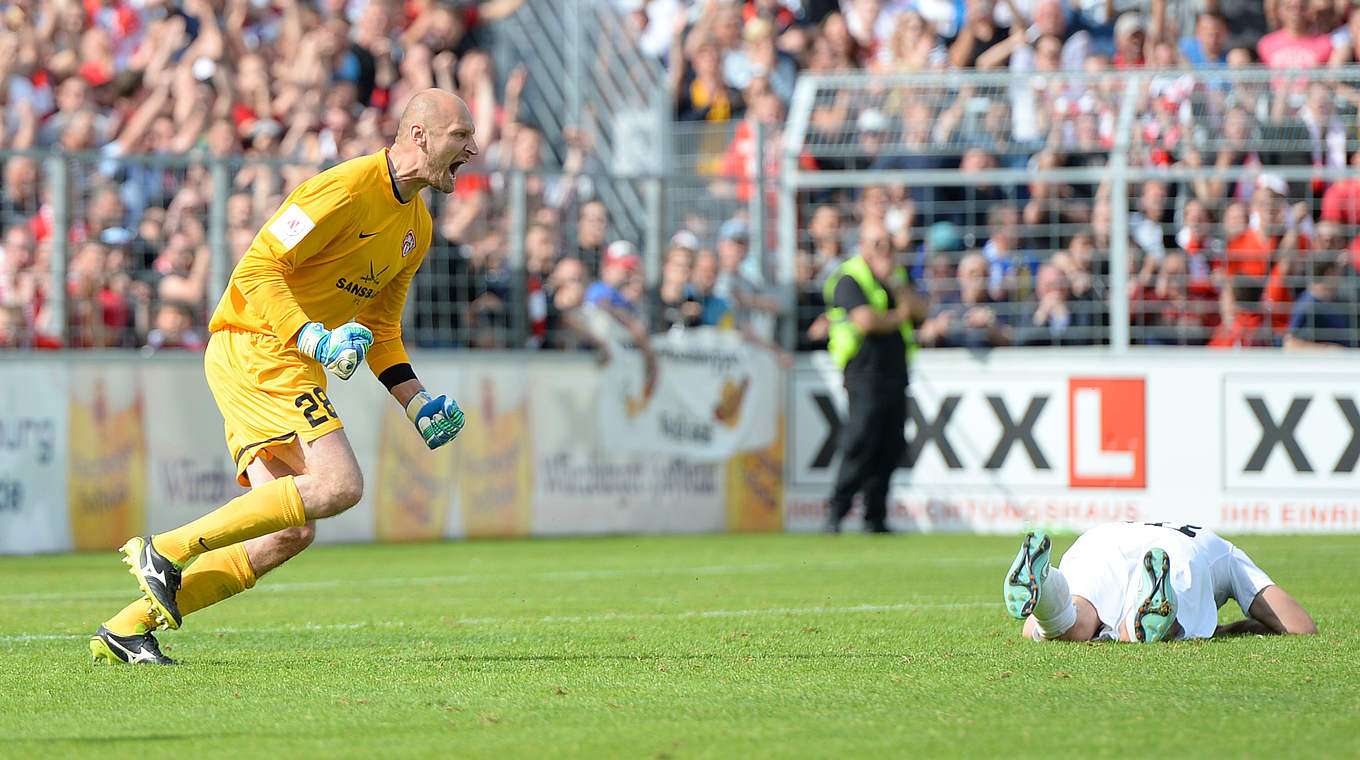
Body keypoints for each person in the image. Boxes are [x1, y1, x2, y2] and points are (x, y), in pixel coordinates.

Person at [90, 89, 478, 665]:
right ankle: (165, 548)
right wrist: (314, 337)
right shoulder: (343, 187)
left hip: (285, 357)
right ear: (420, 135)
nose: (473, 147)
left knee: (289, 532)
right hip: (257, 346)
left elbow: (381, 328)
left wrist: (416, 402)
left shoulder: (416, 229)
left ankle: (128, 627)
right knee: (339, 484)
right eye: (460, 136)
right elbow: (257, 267)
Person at [1003, 524, 1318, 643]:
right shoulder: (1221, 547)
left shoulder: (1134, 526)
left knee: (1074, 624)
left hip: (1102, 539)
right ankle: (1149, 607)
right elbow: (1300, 625)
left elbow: (1027, 629)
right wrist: (1229, 629)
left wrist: (1040, 622)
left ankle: (1046, 589)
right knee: (1133, 632)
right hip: (1180, 553)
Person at [821, 222, 926, 534]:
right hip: (863, 372)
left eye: (889, 244)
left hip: (895, 372)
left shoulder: (896, 278)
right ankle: (836, 512)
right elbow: (866, 321)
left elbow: (921, 309)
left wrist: (896, 285)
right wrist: (899, 315)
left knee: (890, 445)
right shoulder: (849, 277)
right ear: (862, 246)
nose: (885, 251)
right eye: (878, 244)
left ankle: (875, 516)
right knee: (860, 441)